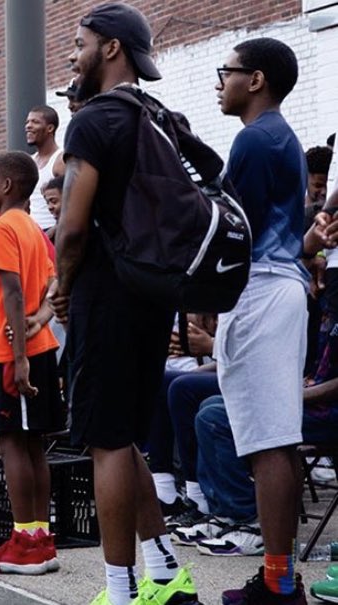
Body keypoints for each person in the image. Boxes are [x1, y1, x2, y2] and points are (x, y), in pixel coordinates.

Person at [55, 5, 198, 604]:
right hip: (153, 296)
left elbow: (72, 226)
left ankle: (119, 590)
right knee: (127, 438)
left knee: (105, 442)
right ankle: (164, 569)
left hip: (106, 296)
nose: (72, 54)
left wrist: (60, 286)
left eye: (80, 42)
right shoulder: (166, 116)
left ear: (111, 49)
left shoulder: (92, 123)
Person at [213, 37, 309, 604]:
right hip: (273, 290)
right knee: (269, 439)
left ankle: (279, 585)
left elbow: (229, 232)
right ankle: (279, 577)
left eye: (227, 73)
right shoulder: (276, 137)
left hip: (263, 290)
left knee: (271, 440)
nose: (222, 82)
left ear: (256, 81)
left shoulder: (255, 138)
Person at [0, 151, 63, 575]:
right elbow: (54, 280)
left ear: (7, 185)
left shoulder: (2, 227)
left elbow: (11, 290)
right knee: (31, 446)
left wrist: (20, 357)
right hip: (35, 346)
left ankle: (27, 542)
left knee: (12, 444)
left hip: (13, 354)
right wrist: (42, 319)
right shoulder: (30, 226)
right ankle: (38, 538)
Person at [25, 105, 65, 231]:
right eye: (27, 122)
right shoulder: (29, 162)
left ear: (50, 128)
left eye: (35, 122)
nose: (28, 126)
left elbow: (72, 203)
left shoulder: (61, 159)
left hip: (53, 233)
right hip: (33, 233)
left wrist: (52, 233)